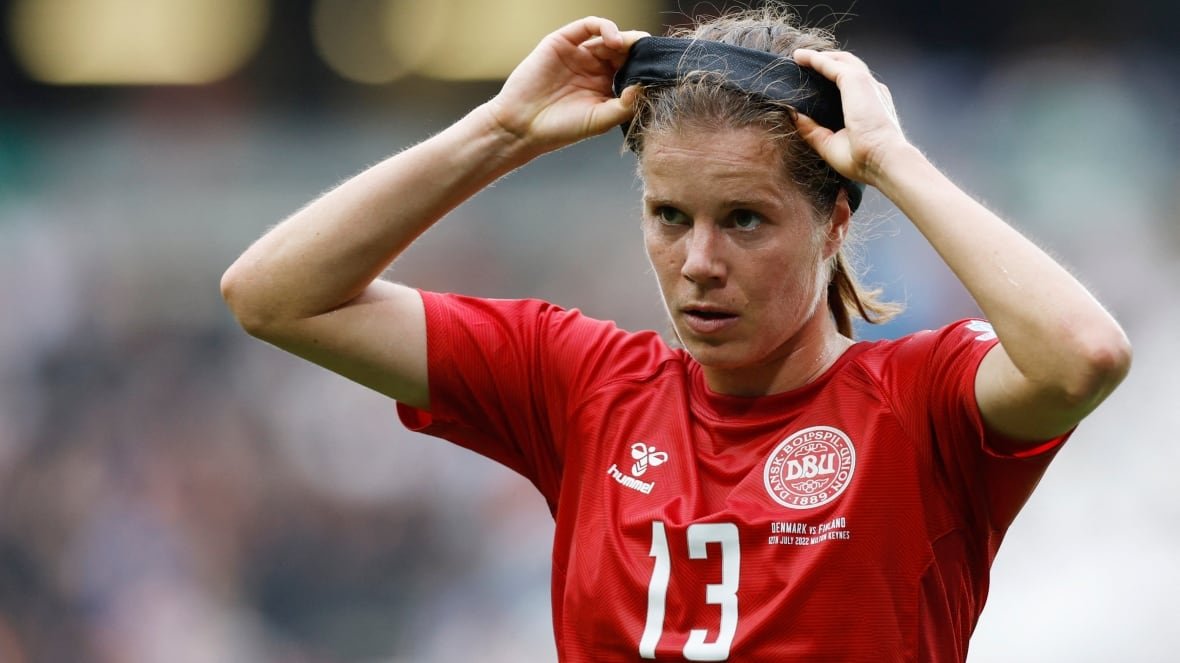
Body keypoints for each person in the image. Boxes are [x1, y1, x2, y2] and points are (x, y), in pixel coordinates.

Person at [221, 7, 1131, 662]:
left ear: (834, 224)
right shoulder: (577, 382)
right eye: (668, 214)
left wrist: (893, 160)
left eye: (743, 218)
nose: (698, 260)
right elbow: (273, 293)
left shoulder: (921, 401)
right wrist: (499, 132)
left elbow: (1084, 352)